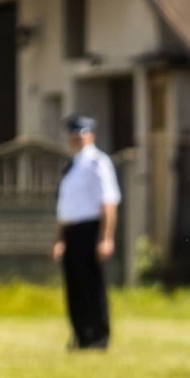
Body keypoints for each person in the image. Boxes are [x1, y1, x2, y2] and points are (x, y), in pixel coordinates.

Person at [53, 114, 120, 350]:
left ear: (91, 135)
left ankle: (98, 337)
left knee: (93, 286)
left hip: (91, 229)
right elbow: (64, 208)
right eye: (73, 133)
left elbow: (109, 202)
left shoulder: (98, 162)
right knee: (74, 287)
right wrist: (60, 239)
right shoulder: (70, 166)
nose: (76, 138)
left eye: (81, 133)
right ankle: (80, 335)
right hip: (71, 231)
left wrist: (106, 237)